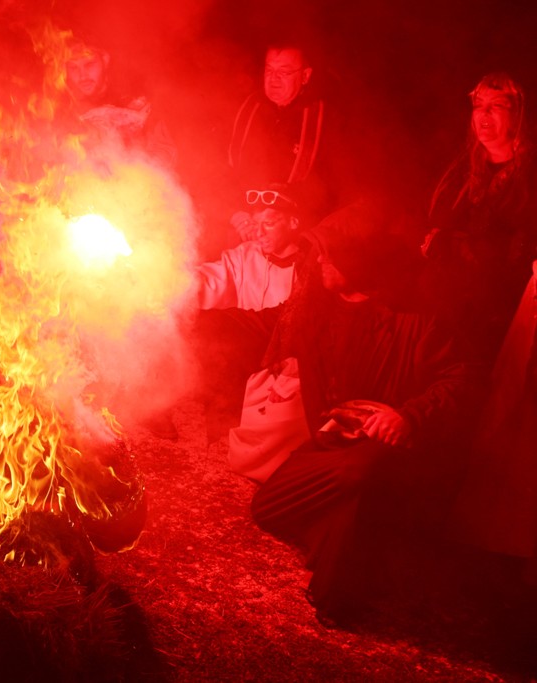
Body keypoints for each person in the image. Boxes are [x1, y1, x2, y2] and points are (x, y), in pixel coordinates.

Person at [251, 203, 472, 625]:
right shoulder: (317, 305)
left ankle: (339, 590)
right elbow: (271, 328)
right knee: (268, 508)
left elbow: (462, 378)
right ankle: (359, 544)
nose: (319, 262)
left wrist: (409, 416)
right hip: (333, 444)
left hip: (387, 452)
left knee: (359, 475)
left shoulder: (418, 316)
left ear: (358, 259)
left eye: (328, 255)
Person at [421, 72, 537, 367]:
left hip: (506, 316)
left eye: (496, 105)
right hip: (452, 306)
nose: (484, 113)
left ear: (517, 114)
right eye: (478, 105)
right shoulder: (461, 170)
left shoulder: (530, 176)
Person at [190, 185, 303, 442]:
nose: (259, 232)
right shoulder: (246, 255)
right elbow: (210, 280)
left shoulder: (309, 268)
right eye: (256, 224)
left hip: (282, 374)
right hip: (239, 367)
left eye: (269, 224)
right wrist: (167, 276)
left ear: (293, 222)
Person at [228, 41, 335, 229]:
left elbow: (329, 188)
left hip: (294, 229)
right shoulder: (248, 108)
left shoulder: (322, 118)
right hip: (243, 223)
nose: (273, 79)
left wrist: (285, 221)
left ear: (305, 76)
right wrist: (236, 214)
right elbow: (220, 168)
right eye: (269, 70)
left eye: (284, 72)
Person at [60, 37, 176, 166]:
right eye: (73, 67)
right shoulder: (59, 108)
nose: (82, 76)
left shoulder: (135, 103)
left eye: (89, 64)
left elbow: (165, 151)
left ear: (105, 60)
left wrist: (132, 165)